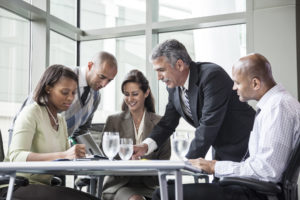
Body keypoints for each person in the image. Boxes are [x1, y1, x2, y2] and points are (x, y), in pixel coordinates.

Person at [152, 53, 300, 200]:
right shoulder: (276, 104)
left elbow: (267, 171)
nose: (234, 88)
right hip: (254, 189)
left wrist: (214, 166)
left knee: (163, 194)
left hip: (257, 193)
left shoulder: (278, 107)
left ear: (255, 83)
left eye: (237, 82)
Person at [133, 39, 255, 163]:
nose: (159, 77)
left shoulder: (212, 76)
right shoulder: (174, 88)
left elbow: (208, 124)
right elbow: (167, 123)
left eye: (161, 70)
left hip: (247, 147)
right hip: (221, 150)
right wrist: (146, 146)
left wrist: (186, 164)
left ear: (179, 65)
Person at [0, 65, 99, 200]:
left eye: (73, 93)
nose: (70, 98)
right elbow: (16, 156)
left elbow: (63, 161)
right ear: (48, 89)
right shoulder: (31, 113)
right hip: (16, 185)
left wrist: (80, 157)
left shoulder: (61, 121)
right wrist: (64, 154)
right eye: (65, 92)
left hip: (42, 185)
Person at [8, 51, 118, 141]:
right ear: (90, 66)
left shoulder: (96, 96)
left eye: (109, 80)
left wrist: (92, 155)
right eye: (101, 77)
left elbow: (82, 131)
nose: (104, 84)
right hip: (25, 137)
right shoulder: (63, 77)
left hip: (55, 147)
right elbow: (31, 110)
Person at [101, 70, 171, 200]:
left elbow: (164, 160)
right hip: (120, 186)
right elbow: (105, 157)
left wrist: (144, 163)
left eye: (135, 94)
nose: (130, 99)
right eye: (126, 94)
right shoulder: (113, 121)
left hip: (151, 185)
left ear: (146, 93)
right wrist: (125, 161)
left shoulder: (160, 123)